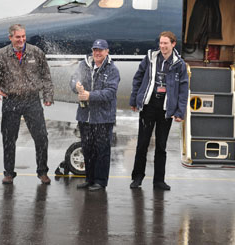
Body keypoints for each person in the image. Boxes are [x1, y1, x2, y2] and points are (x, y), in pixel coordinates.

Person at [0, 24, 54, 185]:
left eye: (23, 36)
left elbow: (46, 75)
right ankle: (9, 173)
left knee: (41, 137)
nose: (21, 40)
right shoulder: (0, 55)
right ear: (10, 37)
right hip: (11, 101)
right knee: (9, 139)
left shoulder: (36, 52)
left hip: (32, 100)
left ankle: (42, 172)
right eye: (18, 37)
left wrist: (48, 95)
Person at [129, 31, 189, 190]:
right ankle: (137, 178)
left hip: (165, 109)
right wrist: (134, 99)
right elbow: (138, 78)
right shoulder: (150, 58)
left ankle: (159, 181)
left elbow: (183, 90)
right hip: (149, 106)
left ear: (173, 44)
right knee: (142, 143)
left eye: (166, 44)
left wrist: (180, 111)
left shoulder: (179, 64)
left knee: (161, 146)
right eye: (161, 43)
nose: (162, 46)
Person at [70, 39, 120, 191]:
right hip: (85, 117)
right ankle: (89, 179)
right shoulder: (83, 65)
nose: (97, 53)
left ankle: (100, 181)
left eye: (100, 50)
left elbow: (110, 92)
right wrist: (76, 86)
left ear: (107, 52)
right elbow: (73, 80)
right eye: (95, 50)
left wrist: (90, 95)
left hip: (104, 118)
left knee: (102, 150)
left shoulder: (112, 69)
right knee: (87, 149)